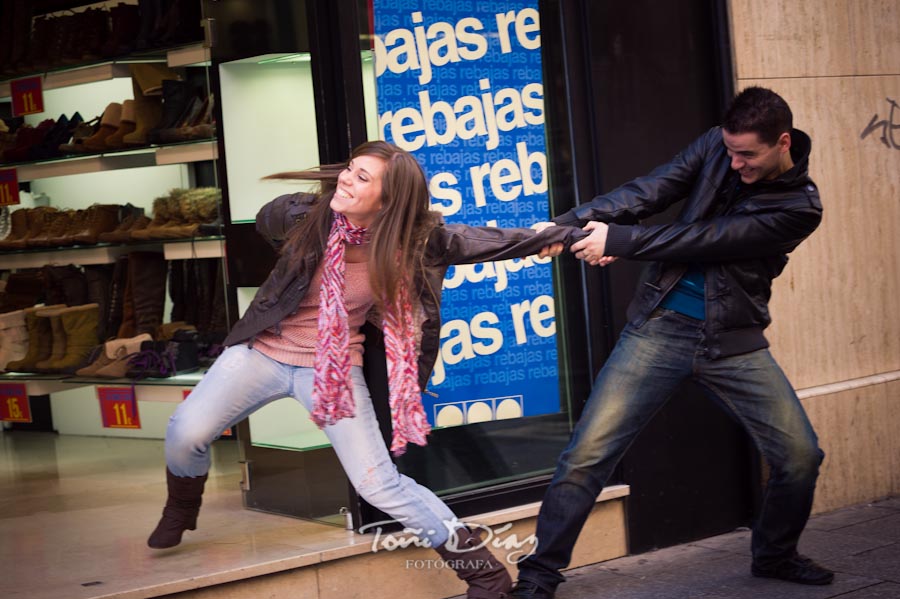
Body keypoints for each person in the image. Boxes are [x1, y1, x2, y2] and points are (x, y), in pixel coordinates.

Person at [147, 140, 585, 599]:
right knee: (184, 432)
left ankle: (485, 575)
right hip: (264, 352)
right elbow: (267, 217)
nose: (346, 180)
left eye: (362, 178)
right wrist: (299, 208)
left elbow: (485, 241)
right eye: (349, 169)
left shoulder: (416, 243)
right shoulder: (312, 219)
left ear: (388, 199)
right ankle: (182, 508)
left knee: (381, 485)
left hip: (333, 370)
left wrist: (558, 236)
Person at [510, 86, 830, 598]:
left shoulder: (799, 206)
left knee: (800, 456)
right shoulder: (715, 147)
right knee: (587, 455)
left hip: (732, 342)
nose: (734, 163)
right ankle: (539, 576)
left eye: (747, 154)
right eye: (729, 151)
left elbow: (709, 240)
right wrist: (569, 223)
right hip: (658, 330)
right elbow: (648, 192)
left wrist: (619, 241)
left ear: (782, 142)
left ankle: (774, 554)